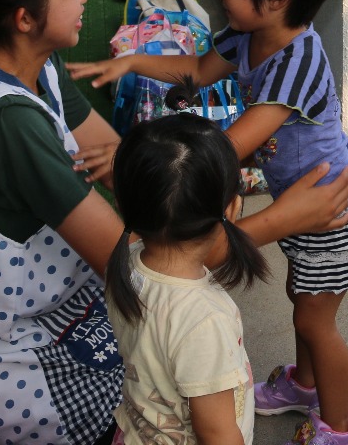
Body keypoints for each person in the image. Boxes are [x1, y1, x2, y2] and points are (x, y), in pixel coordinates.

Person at [0, 0, 348, 445]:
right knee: (166, 385)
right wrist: (284, 218)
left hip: (45, 299)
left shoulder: (31, 65)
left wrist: (165, 174)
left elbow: (122, 159)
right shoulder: (8, 125)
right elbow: (150, 264)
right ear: (24, 17)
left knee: (169, 350)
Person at [70, 0, 348, 445]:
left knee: (317, 321)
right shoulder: (246, 36)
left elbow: (226, 147)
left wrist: (133, 154)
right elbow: (194, 71)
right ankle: (304, 386)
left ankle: (341, 429)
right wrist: (133, 61)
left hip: (335, 207)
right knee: (302, 298)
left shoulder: (297, 61)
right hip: (302, 202)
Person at [105, 113, 269, 445]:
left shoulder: (128, 266)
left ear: (122, 205)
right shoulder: (204, 321)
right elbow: (219, 435)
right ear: (232, 208)